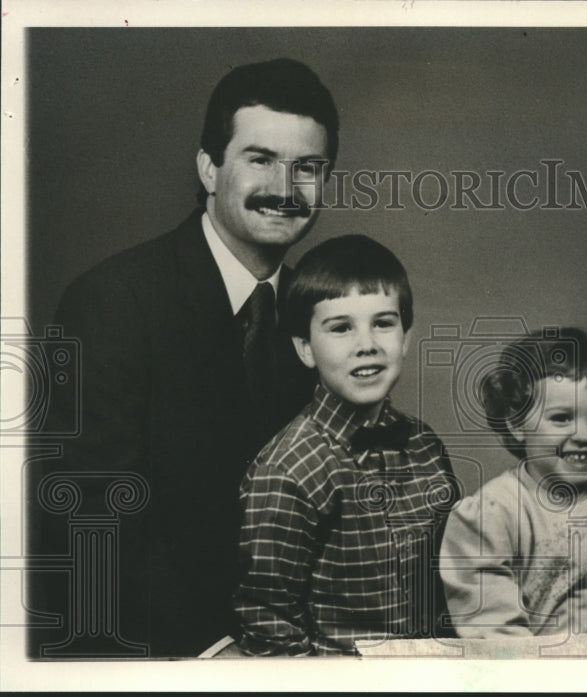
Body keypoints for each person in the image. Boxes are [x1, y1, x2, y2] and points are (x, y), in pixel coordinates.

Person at [29, 58, 339, 657]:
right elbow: (94, 523)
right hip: (150, 657)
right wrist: (214, 654)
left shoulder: (320, 316)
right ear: (208, 167)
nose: (284, 188)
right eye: (260, 159)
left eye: (308, 168)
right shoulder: (112, 302)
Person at [234, 235, 458, 656]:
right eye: (341, 328)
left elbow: (453, 584)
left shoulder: (426, 445)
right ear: (305, 348)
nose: (366, 344)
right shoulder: (287, 472)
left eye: (384, 323)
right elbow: (271, 628)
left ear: (406, 337)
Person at [440, 328, 587, 654]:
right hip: (524, 676)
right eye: (562, 418)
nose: (583, 435)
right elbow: (488, 619)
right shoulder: (491, 512)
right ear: (517, 424)